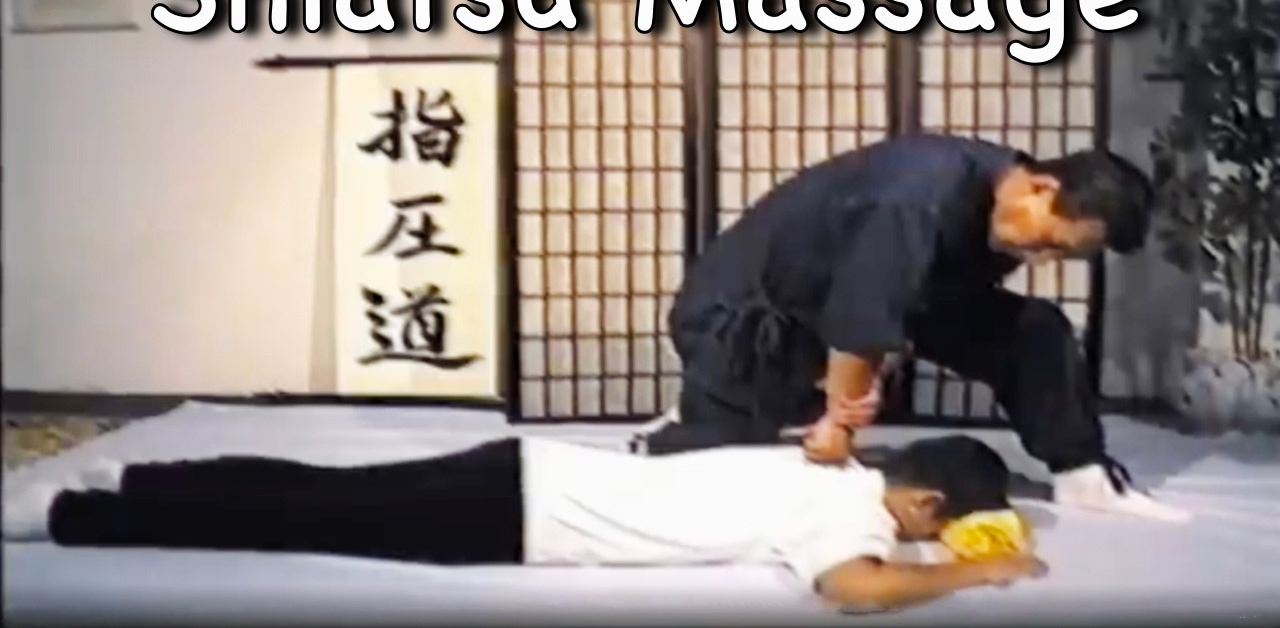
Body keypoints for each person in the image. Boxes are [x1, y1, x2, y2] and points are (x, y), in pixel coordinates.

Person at [640, 133, 1190, 523]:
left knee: (1034, 330)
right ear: (1042, 187)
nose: (1042, 258)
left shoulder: (1004, 202)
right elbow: (864, 309)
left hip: (837, 307)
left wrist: (859, 385)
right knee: (720, 476)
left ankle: (1083, 473)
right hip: (745, 319)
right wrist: (840, 423)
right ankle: (682, 427)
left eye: (1060, 254)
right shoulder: (922, 194)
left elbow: (904, 301)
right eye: (1048, 242)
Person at [2, 435, 1046, 613]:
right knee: (293, 516)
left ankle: (127, 480)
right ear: (923, 503)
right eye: (944, 528)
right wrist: (971, 576)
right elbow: (853, 592)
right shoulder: (849, 509)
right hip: (510, 512)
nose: (936, 542)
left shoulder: (829, 466)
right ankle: (73, 514)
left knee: (309, 492)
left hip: (521, 476)